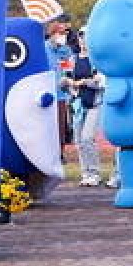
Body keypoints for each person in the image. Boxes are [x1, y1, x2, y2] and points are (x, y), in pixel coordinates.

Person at [68, 27, 105, 187]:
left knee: (87, 138)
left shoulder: (97, 60)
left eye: (87, 37)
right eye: (81, 37)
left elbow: (100, 82)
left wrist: (84, 82)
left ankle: (94, 173)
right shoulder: (72, 58)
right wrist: (70, 85)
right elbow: (65, 78)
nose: (83, 40)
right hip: (78, 104)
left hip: (94, 104)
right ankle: (86, 173)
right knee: (78, 140)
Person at [47, 20, 76, 158]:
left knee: (61, 127)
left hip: (61, 95)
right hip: (46, 95)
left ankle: (59, 155)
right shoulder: (43, 49)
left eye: (64, 34)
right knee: (47, 127)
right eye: (60, 33)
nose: (62, 36)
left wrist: (67, 80)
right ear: (52, 34)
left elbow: (70, 68)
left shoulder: (66, 50)